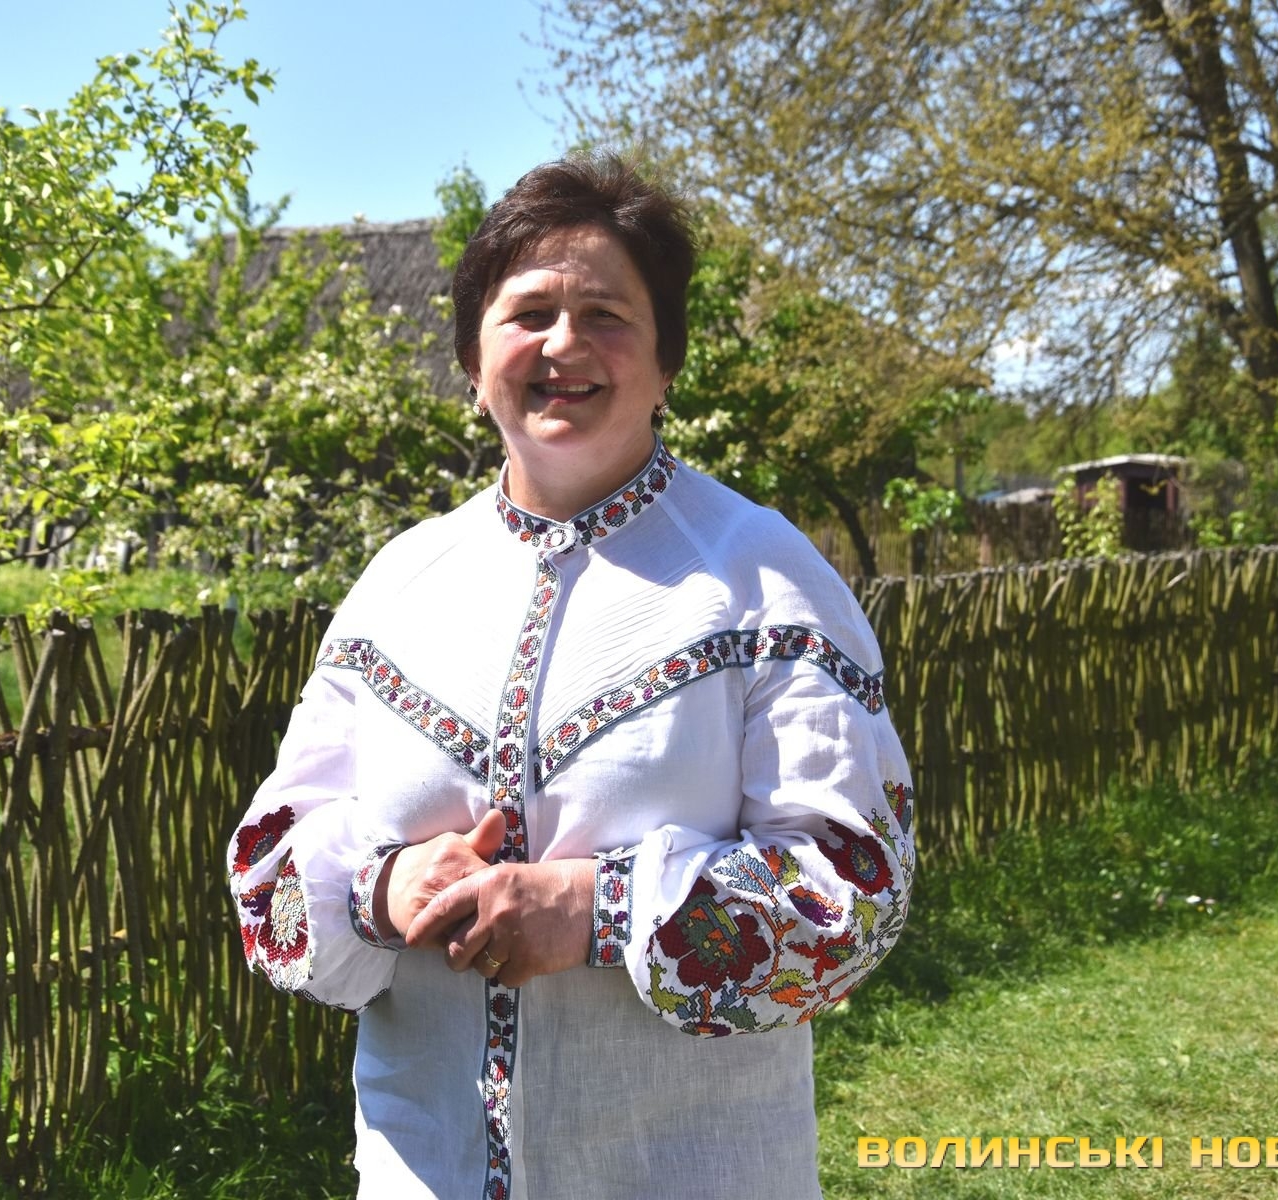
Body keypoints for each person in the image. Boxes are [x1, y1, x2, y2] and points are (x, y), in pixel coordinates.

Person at [226, 154, 914, 1200]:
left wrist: (599, 909)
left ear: (666, 360)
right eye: (529, 313)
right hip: (421, 1171)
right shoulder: (397, 586)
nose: (563, 344)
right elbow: (270, 864)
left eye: (605, 315)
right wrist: (379, 886)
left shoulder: (764, 579)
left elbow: (853, 891)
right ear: (472, 359)